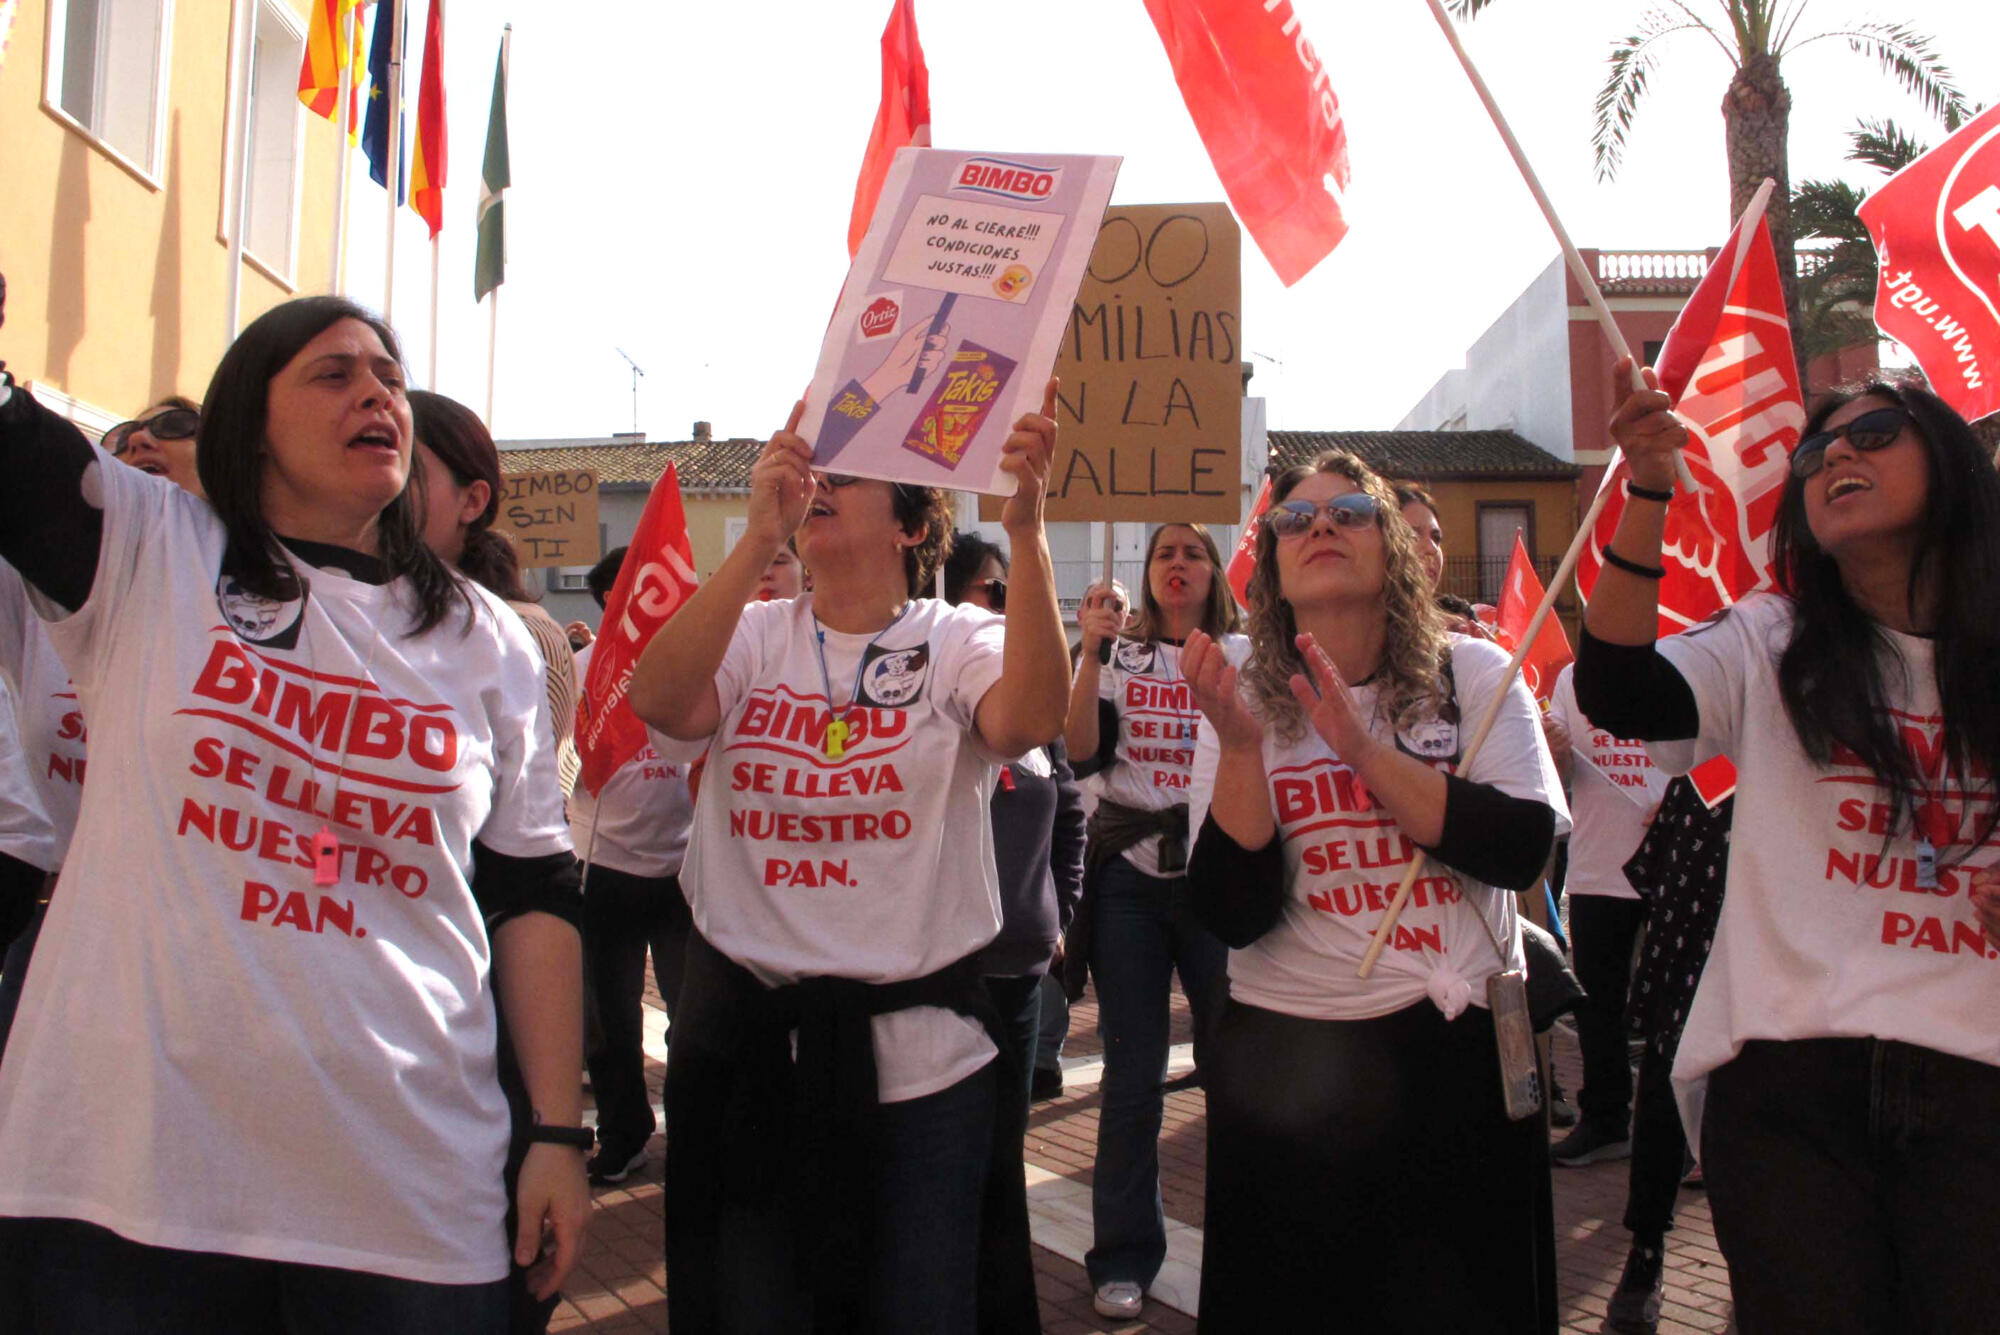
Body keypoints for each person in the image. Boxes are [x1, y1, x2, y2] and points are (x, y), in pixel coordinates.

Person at [0, 296, 589, 1332]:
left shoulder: (486, 639)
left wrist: (554, 1131)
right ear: (246, 420)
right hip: (131, 1183)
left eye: (391, 379)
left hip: (407, 1190)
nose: (377, 394)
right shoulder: (148, 551)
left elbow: (533, 895)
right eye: (333, 373)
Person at [628, 388, 1070, 1332]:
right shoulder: (755, 635)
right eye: (814, 466)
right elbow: (661, 701)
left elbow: (1029, 719)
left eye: (849, 472)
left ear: (914, 524)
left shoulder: (956, 637)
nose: (818, 480)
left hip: (924, 1075)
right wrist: (755, 542)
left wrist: (1027, 536)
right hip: (753, 1060)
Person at [1576, 366, 2000, 1334]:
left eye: (1874, 433)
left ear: (1949, 462)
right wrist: (1647, 487)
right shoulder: (1767, 641)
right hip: (1787, 1093)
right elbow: (1616, 687)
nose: (1835, 456)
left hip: (1976, 1084)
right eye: (1813, 453)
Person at [1181, 448, 1566, 1334]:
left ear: (1390, 547)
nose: (1320, 524)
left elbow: (1518, 848)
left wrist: (1365, 755)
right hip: (1293, 1067)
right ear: (1271, 565)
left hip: (1456, 1060)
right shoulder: (1240, 688)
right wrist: (1241, 749)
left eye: (1350, 511)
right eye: (1295, 518)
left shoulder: (1473, 674)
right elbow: (1233, 912)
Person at [1061, 523, 1245, 1321]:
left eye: (1194, 552)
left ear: (1215, 572)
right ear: (1147, 571)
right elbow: (1077, 754)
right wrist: (1088, 653)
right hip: (1132, 881)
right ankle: (1123, 1255)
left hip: (1216, 878)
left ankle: (1250, 1248)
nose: (1178, 563)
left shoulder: (1243, 655)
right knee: (1132, 1075)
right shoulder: (1119, 655)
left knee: (1237, 1070)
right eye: (1165, 551)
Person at [0, 394, 209, 1055]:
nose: (142, 442)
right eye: (121, 441)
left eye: (173, 430)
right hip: (53, 921)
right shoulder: (39, 600)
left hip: (193, 936)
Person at [943, 530, 1086, 1335]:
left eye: (1011, 595)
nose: (1001, 608)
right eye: (990, 592)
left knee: (1001, 1161)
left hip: (1016, 965)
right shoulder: (923, 687)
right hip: (938, 968)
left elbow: (1067, 807)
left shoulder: (1038, 699)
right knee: (940, 1164)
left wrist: (1058, 909)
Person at [563, 545, 695, 1186]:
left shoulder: (701, 667)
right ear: (613, 601)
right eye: (637, 591)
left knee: (693, 1013)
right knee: (610, 1020)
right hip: (604, 865)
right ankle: (623, 1134)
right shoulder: (581, 672)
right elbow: (551, 769)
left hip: (687, 868)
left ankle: (699, 1128)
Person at [409, 391, 578, 762]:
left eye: (407, 474)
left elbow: (541, 794)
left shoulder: (522, 638)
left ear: (471, 501)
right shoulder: (327, 613)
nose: (383, 491)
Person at [1545, 660, 1668, 1169]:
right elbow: (1560, 776)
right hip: (1597, 867)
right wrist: (1554, 750)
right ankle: (1606, 1120)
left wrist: (1685, 800)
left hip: (1675, 866)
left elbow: (1731, 750)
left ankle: (1678, 1135)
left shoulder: (1687, 665)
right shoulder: (1573, 679)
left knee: (1673, 1009)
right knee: (1596, 1004)